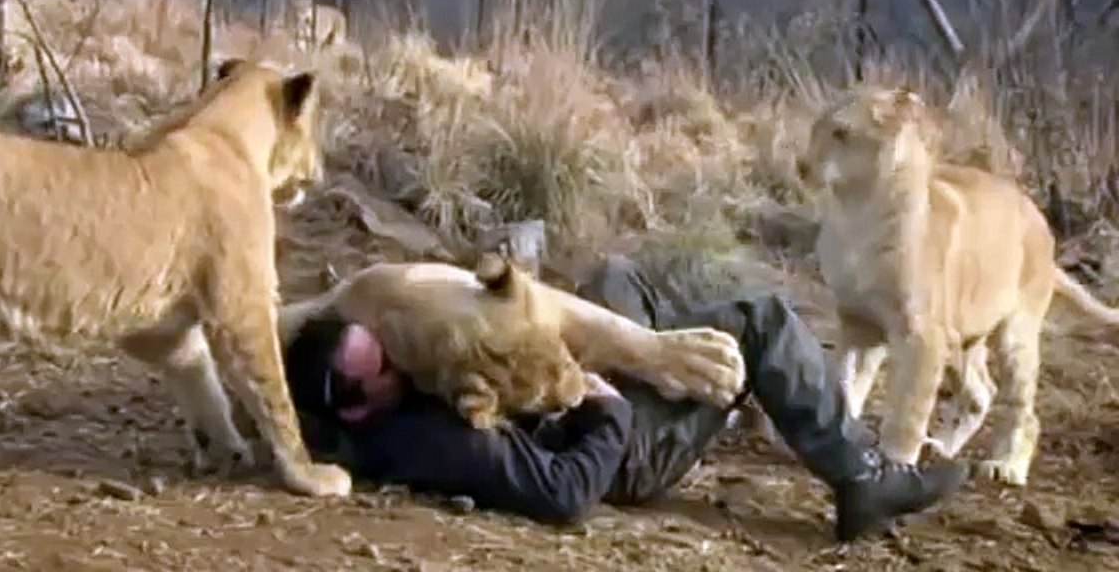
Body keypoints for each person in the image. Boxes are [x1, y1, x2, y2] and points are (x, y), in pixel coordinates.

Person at [282, 254, 969, 542]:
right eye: (383, 367)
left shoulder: (377, 363)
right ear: (354, 401)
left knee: (617, 272)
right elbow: (563, 495)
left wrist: (647, 351)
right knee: (763, 320)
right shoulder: (439, 437)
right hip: (616, 451)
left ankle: (734, 390)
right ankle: (863, 478)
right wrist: (602, 403)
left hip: (560, 409)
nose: (396, 364)